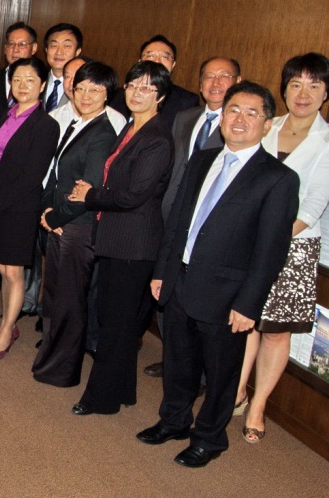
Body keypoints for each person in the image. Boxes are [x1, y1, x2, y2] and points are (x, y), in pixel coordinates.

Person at [138, 82, 298, 468]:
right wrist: (163, 270)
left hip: (229, 295)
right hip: (180, 279)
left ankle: (209, 438)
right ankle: (174, 421)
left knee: (222, 373)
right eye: (233, 110)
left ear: (268, 123)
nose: (239, 119)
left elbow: (270, 250)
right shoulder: (202, 159)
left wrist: (249, 304)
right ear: (222, 116)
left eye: (251, 113)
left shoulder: (277, 178)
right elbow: (177, 221)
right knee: (177, 359)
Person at [68, 61, 174, 414]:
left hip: (135, 243)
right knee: (118, 319)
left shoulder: (157, 139)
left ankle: (101, 399)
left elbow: (132, 196)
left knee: (114, 324)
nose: (137, 92)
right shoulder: (131, 126)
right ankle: (124, 389)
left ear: (160, 96)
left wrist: (91, 196)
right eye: (133, 84)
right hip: (115, 237)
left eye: (147, 88)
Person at [235, 53, 329, 443]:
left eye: (313, 85)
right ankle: (237, 392)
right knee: (244, 320)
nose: (303, 93)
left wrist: (270, 235)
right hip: (247, 238)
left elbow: (312, 207)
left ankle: (258, 408)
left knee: (275, 331)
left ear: (325, 92)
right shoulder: (267, 126)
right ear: (284, 89)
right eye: (295, 84)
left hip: (295, 247)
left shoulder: (326, 141)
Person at [143, 57, 242, 378]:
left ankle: (197, 373)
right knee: (166, 293)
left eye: (223, 77)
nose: (215, 83)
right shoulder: (185, 117)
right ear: (200, 85)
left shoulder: (239, 127)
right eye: (208, 77)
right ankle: (174, 358)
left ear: (237, 82)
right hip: (169, 217)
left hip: (206, 229)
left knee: (199, 301)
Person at [31, 61, 119, 385]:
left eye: (94, 89)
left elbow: (88, 188)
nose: (84, 95)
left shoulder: (103, 133)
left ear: (108, 93)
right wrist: (45, 210)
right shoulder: (76, 124)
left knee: (69, 301)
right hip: (60, 222)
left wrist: (54, 216)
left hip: (78, 227)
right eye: (80, 87)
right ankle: (49, 361)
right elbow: (55, 174)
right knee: (54, 296)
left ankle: (63, 371)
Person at [0, 56, 59, 358]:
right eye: (17, 80)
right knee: (2, 267)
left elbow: (31, 177)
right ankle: (5, 325)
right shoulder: (4, 113)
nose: (23, 86)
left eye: (30, 80)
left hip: (20, 205)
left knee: (14, 272)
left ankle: (7, 332)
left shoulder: (46, 125)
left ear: (42, 85)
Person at [111, 35, 200, 130]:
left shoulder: (187, 101)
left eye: (164, 57)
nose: (157, 61)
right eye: (150, 55)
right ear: (140, 62)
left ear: (173, 64)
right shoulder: (117, 95)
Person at [42, 23, 83, 112]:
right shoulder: (37, 79)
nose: (59, 52)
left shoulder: (85, 86)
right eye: (54, 46)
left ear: (77, 52)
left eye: (67, 46)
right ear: (46, 50)